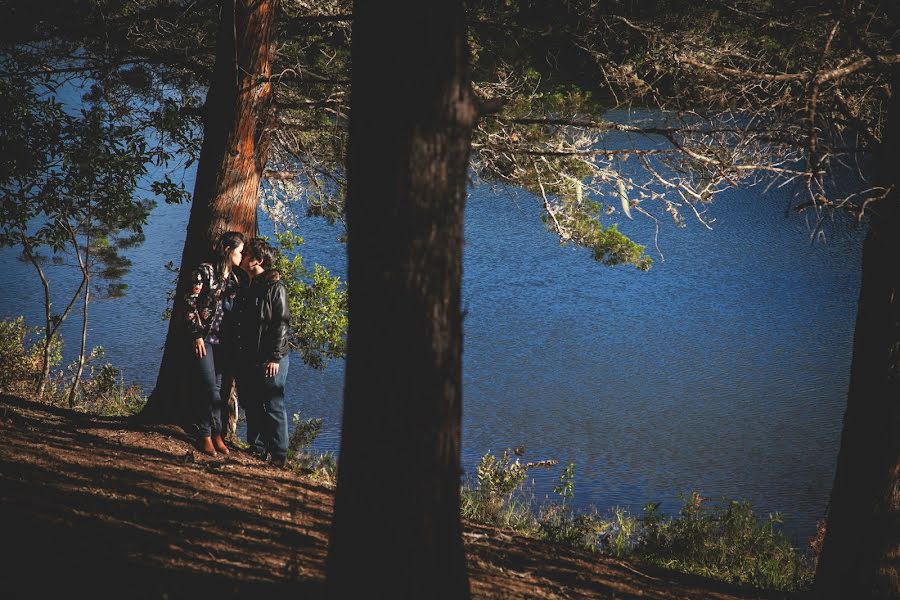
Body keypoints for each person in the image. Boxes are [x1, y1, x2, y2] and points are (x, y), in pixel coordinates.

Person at [182, 231, 244, 456]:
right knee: (210, 389)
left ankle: (218, 434)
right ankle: (205, 435)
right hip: (204, 340)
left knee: (218, 388)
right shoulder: (204, 272)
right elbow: (189, 304)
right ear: (227, 250)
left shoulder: (234, 279)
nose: (242, 256)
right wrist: (196, 335)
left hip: (223, 343)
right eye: (239, 251)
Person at [233, 238, 291, 466]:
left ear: (256, 260)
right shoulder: (247, 286)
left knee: (273, 404)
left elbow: (281, 324)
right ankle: (256, 448)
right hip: (249, 357)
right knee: (252, 402)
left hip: (271, 358)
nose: (243, 258)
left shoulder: (275, 288)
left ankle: (279, 454)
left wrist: (275, 357)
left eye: (246, 254)